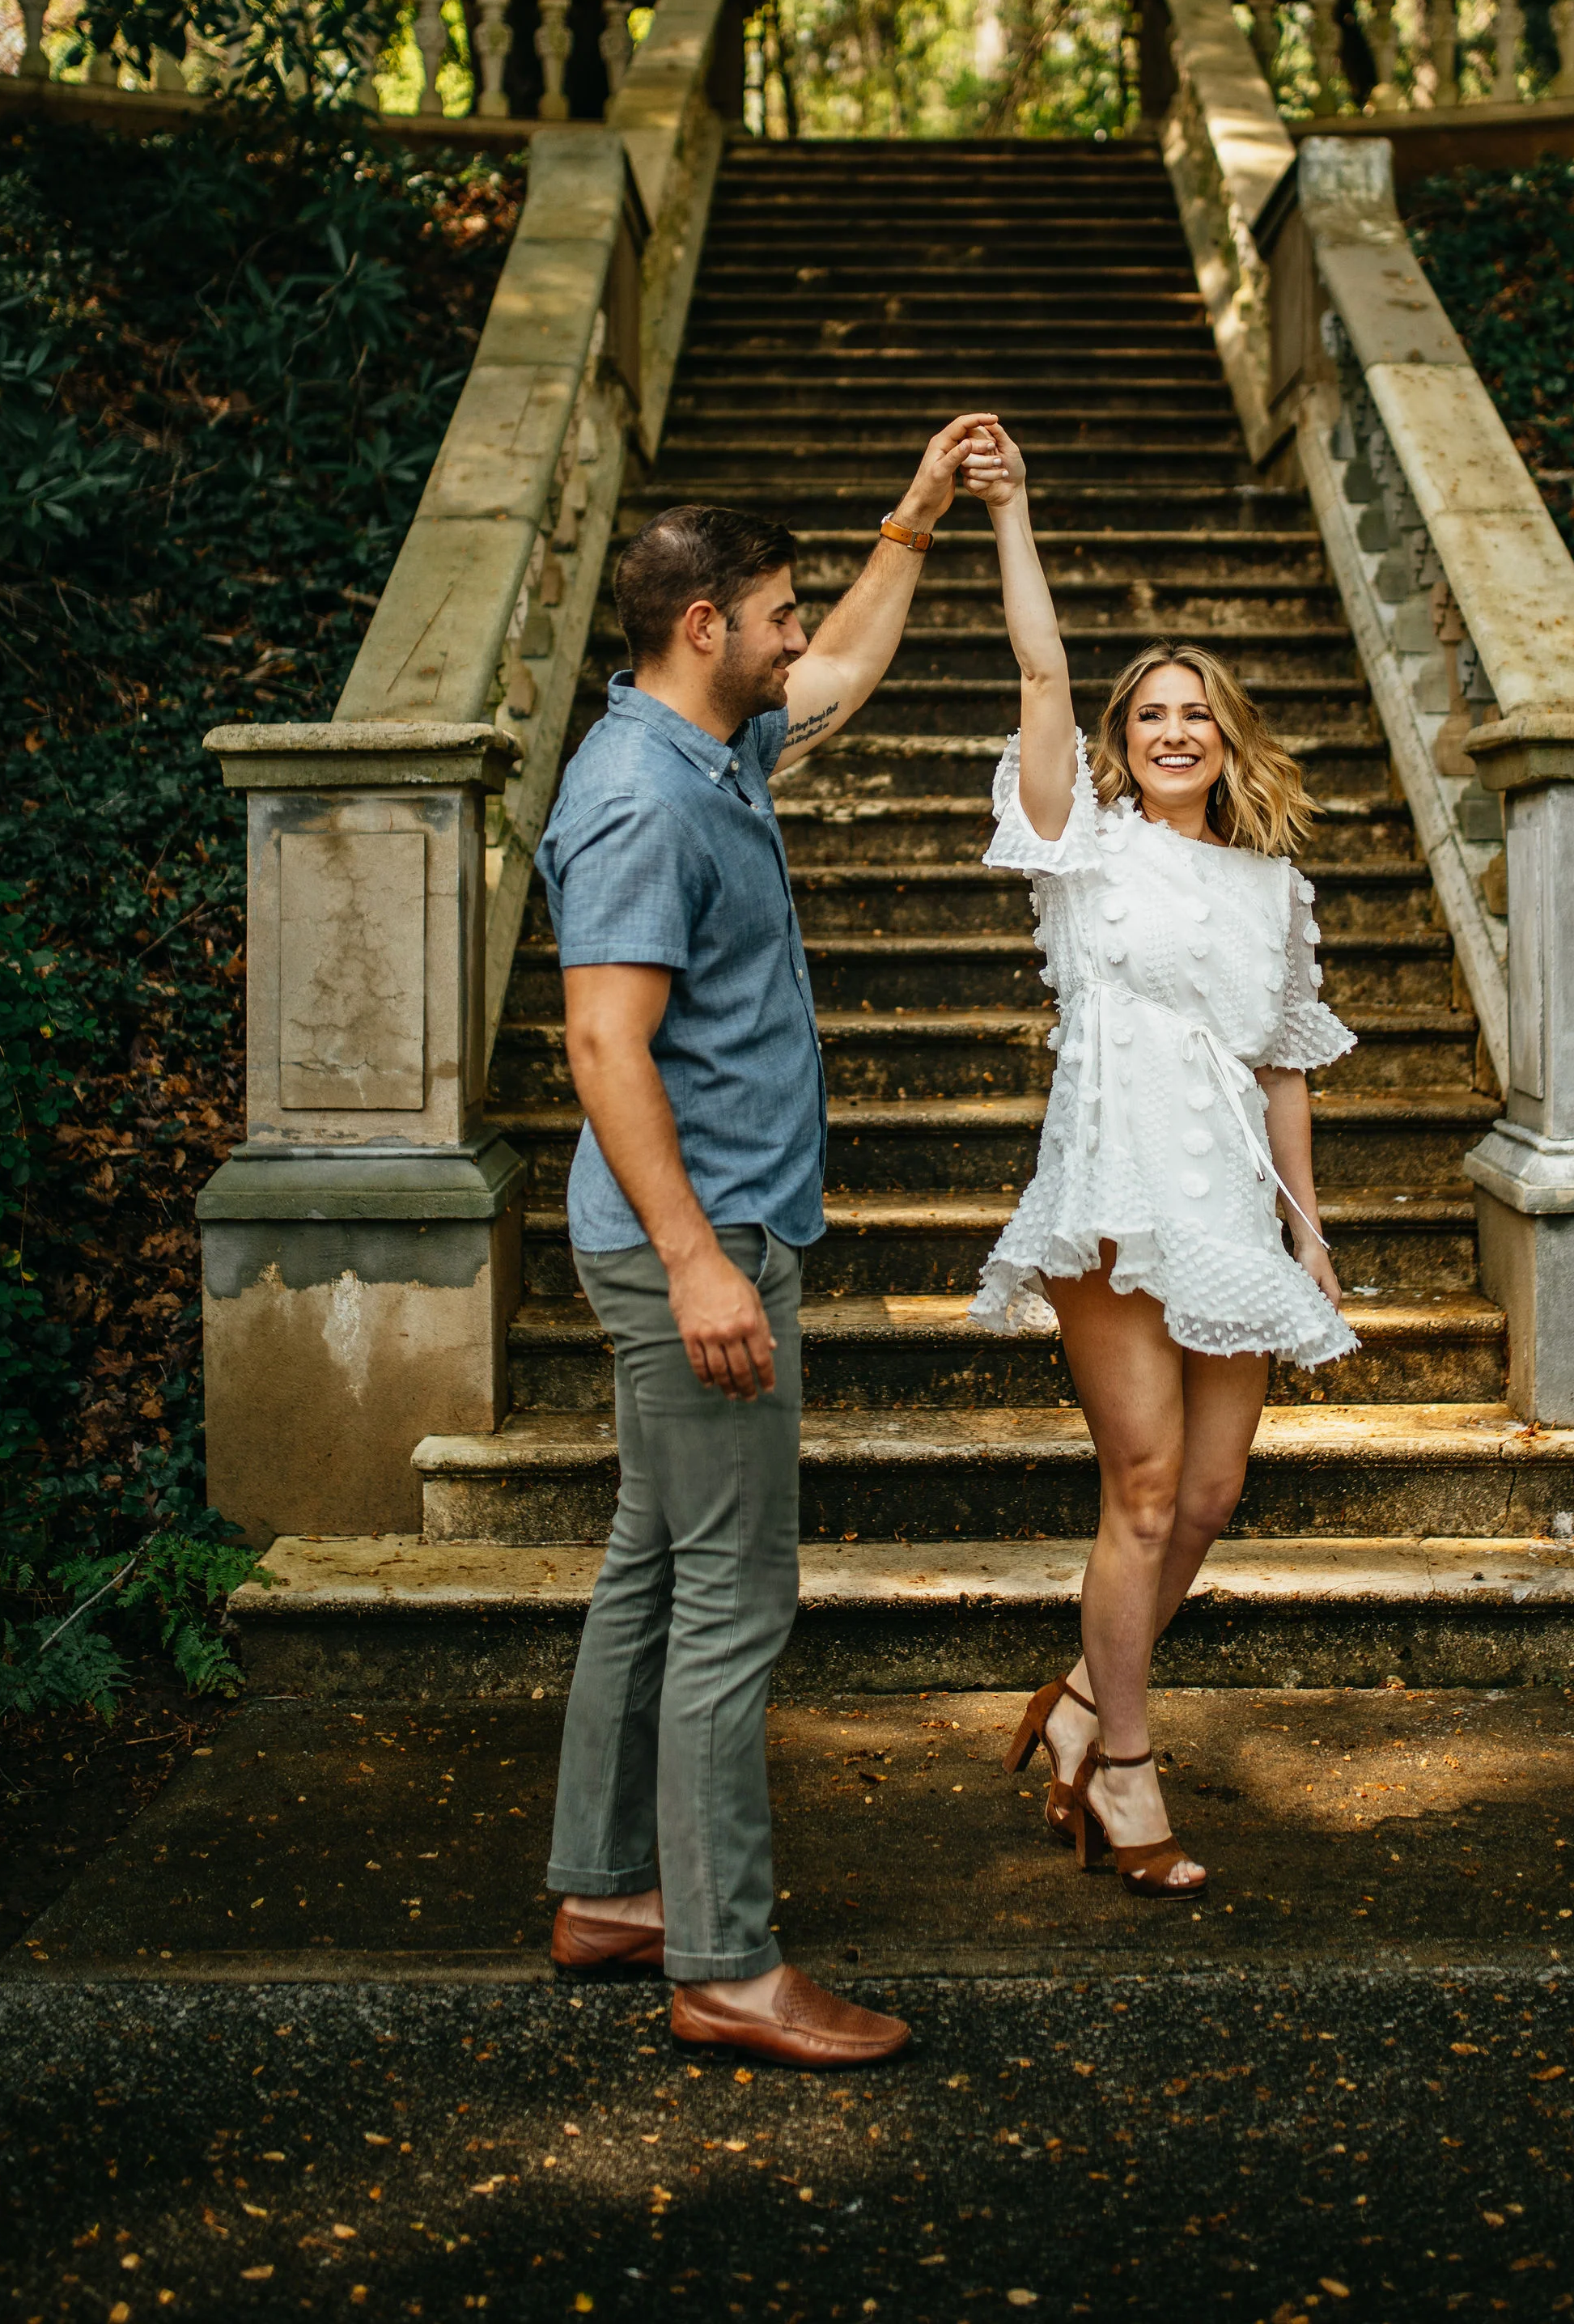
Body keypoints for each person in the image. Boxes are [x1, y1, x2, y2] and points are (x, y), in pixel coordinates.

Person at [537, 415, 995, 2066]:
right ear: (703, 624)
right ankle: (725, 1965)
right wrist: (695, 1261)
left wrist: (912, 523)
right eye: (781, 610)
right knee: (736, 1596)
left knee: (653, 1566)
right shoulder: (639, 804)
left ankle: (607, 1888)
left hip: (703, 1225)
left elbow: (850, 672)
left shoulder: (707, 740)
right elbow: (603, 1049)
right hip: (696, 1240)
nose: (802, 634)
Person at [960, 419, 1358, 1896]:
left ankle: (1075, 1698)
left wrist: (1307, 1230)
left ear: (1228, 733)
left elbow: (1281, 1067)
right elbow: (1043, 673)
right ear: (1122, 744)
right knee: (1139, 1489)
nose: (1173, 730)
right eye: (1151, 716)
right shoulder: (1088, 850)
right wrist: (1013, 515)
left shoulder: (1276, 889)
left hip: (1233, 1217)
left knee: (1207, 1500)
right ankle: (1124, 1766)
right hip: (1116, 1197)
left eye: (1198, 713)